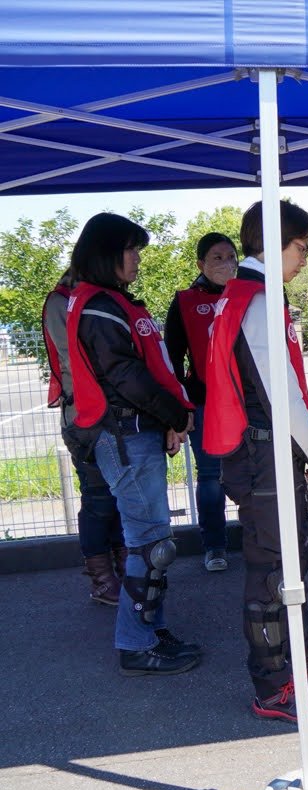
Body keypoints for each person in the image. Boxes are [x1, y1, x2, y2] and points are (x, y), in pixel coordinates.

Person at [204, 201, 308, 723]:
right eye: (299, 248)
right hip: (264, 452)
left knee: (292, 562)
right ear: (273, 241)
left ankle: (300, 656)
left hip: (260, 451)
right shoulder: (258, 298)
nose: (303, 261)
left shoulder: (241, 293)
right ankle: (272, 685)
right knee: (273, 572)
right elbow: (282, 394)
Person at [63, 213, 201, 677]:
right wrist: (176, 415)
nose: (137, 258)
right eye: (130, 249)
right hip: (123, 435)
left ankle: (151, 631)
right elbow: (125, 376)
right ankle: (135, 644)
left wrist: (169, 418)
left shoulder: (114, 302)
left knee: (153, 544)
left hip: (136, 432)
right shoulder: (99, 307)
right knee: (149, 547)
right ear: (105, 253)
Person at [43, 273, 128, 605]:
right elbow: (76, 359)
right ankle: (102, 579)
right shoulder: (61, 301)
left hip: (110, 414)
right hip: (85, 417)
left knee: (118, 496)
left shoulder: (101, 297)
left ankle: (124, 567)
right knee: (98, 500)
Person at [164, 233, 238, 572]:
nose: (225, 263)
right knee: (210, 476)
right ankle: (215, 546)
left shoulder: (251, 295)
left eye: (230, 256)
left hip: (247, 401)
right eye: (216, 257)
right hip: (205, 401)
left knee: (254, 473)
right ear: (201, 264)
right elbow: (173, 360)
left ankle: (260, 538)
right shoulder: (184, 301)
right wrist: (182, 408)